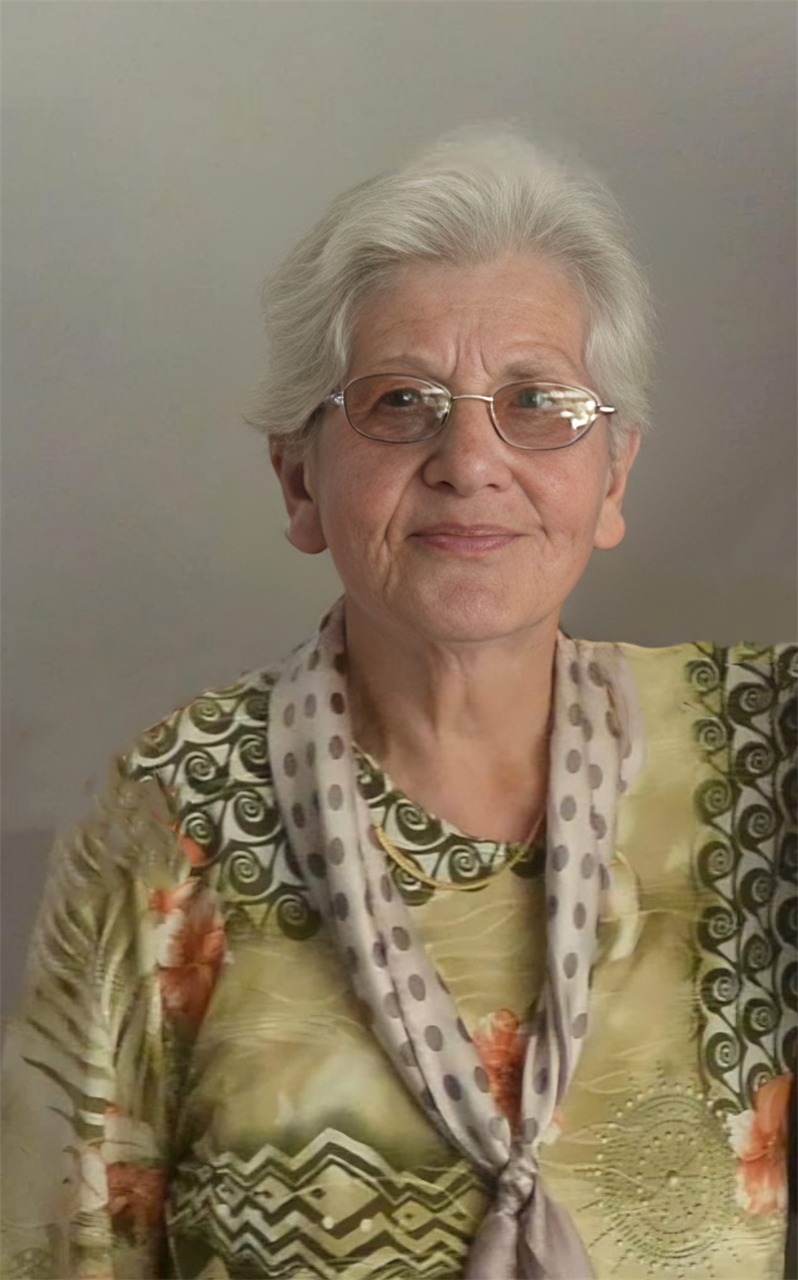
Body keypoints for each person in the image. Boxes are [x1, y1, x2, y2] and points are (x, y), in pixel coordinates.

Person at [2, 130, 795, 1280]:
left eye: (537, 401)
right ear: (299, 478)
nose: (469, 459)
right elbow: (57, 1247)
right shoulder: (170, 812)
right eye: (400, 401)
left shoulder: (763, 745)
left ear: (613, 476)